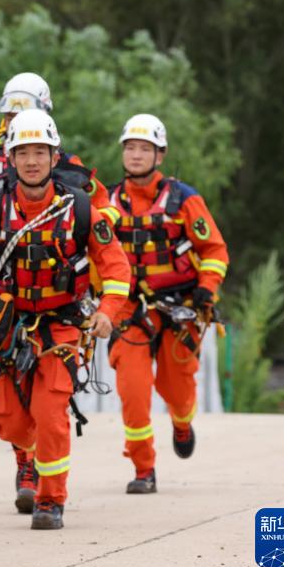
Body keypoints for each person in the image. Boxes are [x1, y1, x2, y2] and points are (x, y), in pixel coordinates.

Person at [0, 109, 131, 530]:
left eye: (41, 151)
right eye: (24, 152)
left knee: (51, 412)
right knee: (12, 425)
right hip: (7, 327)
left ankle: (50, 500)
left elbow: (115, 268)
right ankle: (30, 457)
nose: (33, 160)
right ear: (12, 157)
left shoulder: (79, 210)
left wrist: (108, 314)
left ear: (54, 156)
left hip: (61, 324)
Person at [106, 114, 229, 494]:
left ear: (160, 155)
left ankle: (181, 422)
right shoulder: (108, 201)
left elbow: (215, 250)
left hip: (180, 306)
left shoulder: (184, 199)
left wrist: (207, 288)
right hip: (130, 309)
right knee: (133, 388)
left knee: (177, 387)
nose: (137, 155)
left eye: (145, 148)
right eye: (131, 148)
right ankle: (144, 468)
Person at [0, 72, 111, 218]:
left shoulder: (69, 166)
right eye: (10, 117)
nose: (16, 123)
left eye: (23, 116)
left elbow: (104, 210)